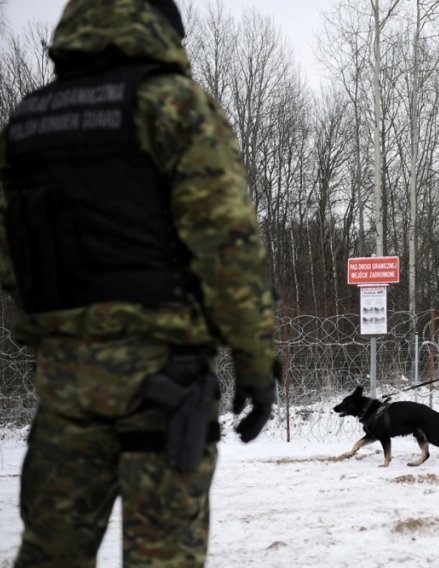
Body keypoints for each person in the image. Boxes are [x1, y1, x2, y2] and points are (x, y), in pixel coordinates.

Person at [0, 0, 280, 565]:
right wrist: (255, 362)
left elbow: (12, 259)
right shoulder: (173, 105)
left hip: (65, 382)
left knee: (49, 555)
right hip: (163, 380)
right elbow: (227, 249)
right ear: (159, 28)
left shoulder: (29, 119)